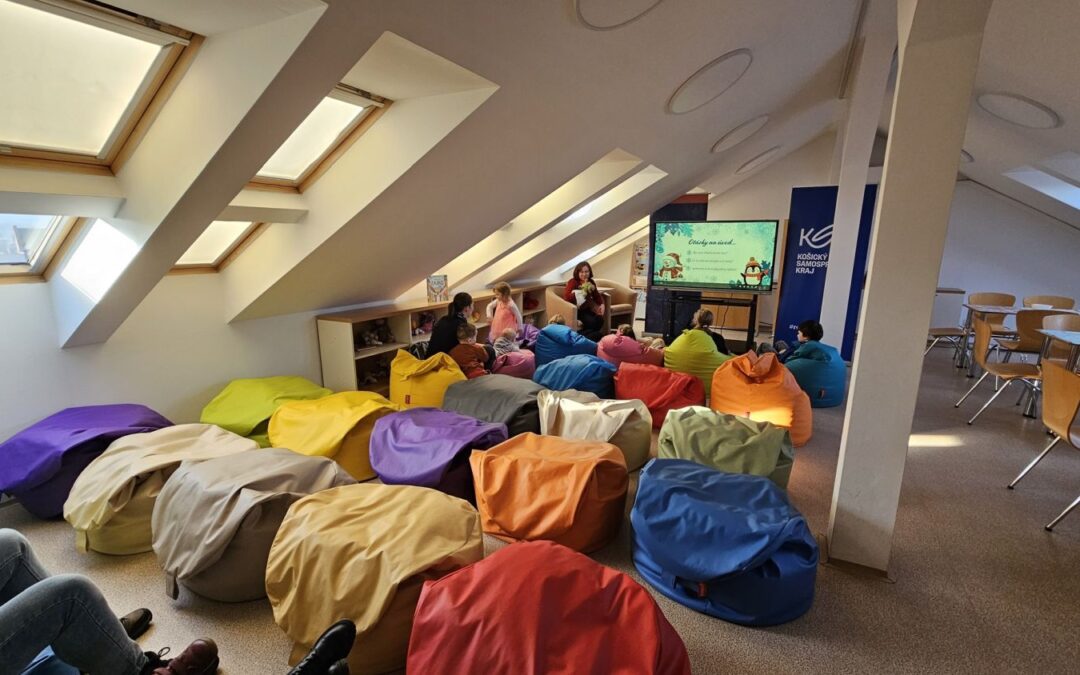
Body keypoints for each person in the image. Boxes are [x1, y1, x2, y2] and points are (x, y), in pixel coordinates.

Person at [563, 262, 605, 341]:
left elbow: (596, 295)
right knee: (592, 323)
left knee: (600, 320)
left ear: (589, 272)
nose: (584, 274)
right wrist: (579, 292)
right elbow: (566, 297)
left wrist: (602, 304)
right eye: (581, 272)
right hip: (576, 310)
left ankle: (586, 337)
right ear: (577, 273)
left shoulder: (591, 282)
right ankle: (588, 337)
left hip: (586, 309)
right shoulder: (573, 282)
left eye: (586, 272)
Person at [428, 292, 473, 357]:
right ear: (466, 308)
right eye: (472, 305)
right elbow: (465, 347)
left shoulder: (443, 319)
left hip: (430, 360)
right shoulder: (461, 324)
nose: (473, 308)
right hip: (443, 361)